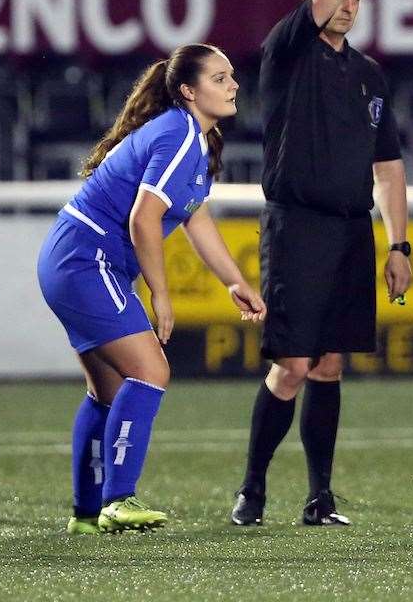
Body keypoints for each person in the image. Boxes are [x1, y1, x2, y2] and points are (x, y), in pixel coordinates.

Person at [230, 0, 413, 527]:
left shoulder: (368, 75)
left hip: (349, 231)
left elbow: (388, 166)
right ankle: (251, 488)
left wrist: (398, 242)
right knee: (293, 364)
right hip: (297, 225)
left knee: (331, 365)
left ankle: (320, 496)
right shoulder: (289, 52)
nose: (349, 2)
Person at [37, 43, 266, 535]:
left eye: (231, 77)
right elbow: (145, 219)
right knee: (151, 371)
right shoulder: (180, 134)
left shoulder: (190, 137)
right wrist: (161, 294)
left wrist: (234, 281)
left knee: (108, 390)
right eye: (220, 79)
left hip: (72, 257)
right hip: (85, 258)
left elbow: (195, 216)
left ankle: (85, 512)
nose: (234, 86)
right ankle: (118, 500)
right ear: (188, 91)